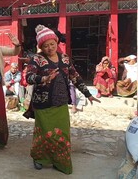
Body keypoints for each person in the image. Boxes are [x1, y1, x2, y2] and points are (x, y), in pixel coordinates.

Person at [26, 25, 100, 174]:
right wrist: (44, 78)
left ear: (56, 41)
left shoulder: (65, 58)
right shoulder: (37, 59)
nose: (49, 48)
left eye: (52, 44)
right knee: (44, 133)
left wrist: (87, 94)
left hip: (60, 102)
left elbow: (75, 76)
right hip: (43, 103)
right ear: (41, 46)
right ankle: (40, 158)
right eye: (45, 46)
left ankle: (60, 162)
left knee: (61, 134)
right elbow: (29, 77)